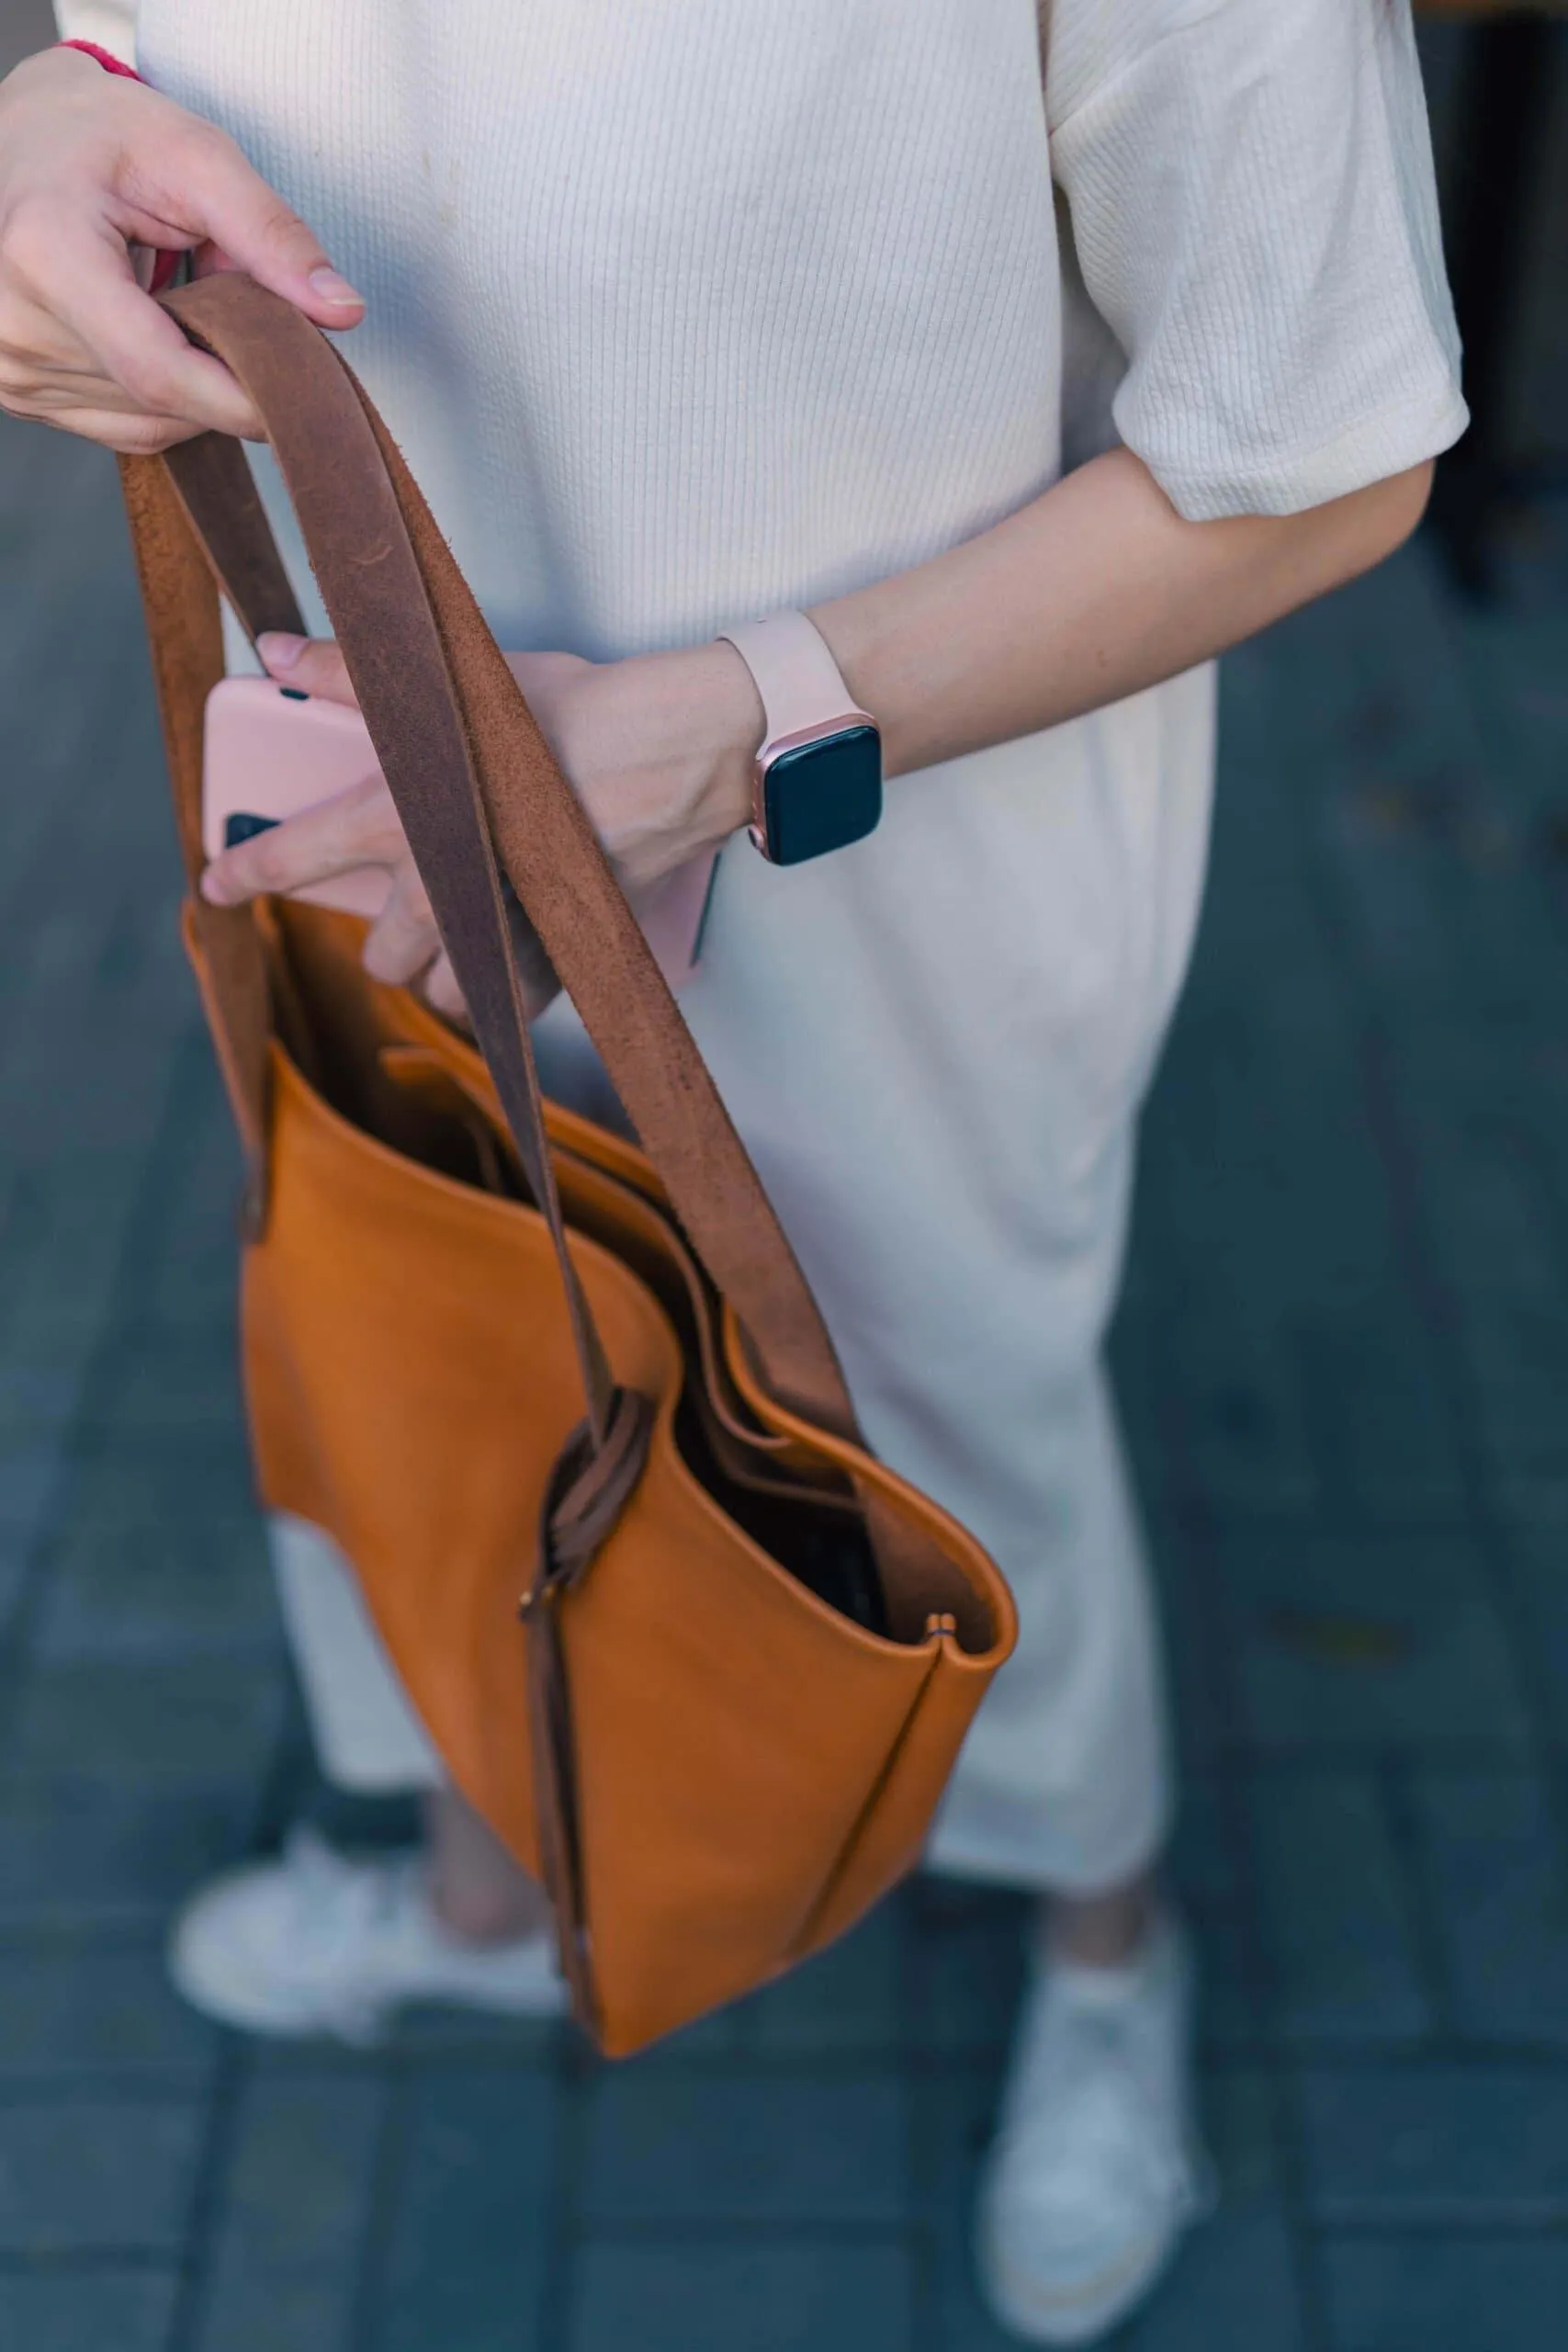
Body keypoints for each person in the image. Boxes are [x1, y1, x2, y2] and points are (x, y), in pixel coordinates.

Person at [3, 4, 1463, 2340]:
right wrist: (41, 111)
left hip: (886, 844)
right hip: (355, 753)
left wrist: (744, 718)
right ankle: (492, 1883)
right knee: (427, 1306)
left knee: (943, 1425)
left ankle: (1104, 1934)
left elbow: (1328, 450)